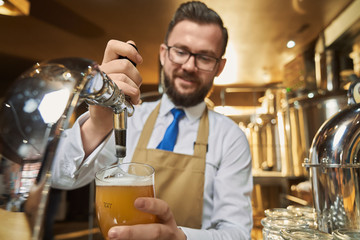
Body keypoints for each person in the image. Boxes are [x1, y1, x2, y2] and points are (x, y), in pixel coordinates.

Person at [51, 1, 253, 239]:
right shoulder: (128, 118)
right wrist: (97, 124)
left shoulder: (231, 138)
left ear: (220, 67)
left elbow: (238, 232)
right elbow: (58, 177)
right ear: (163, 54)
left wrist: (181, 238)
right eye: (180, 51)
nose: (189, 66)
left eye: (205, 57)